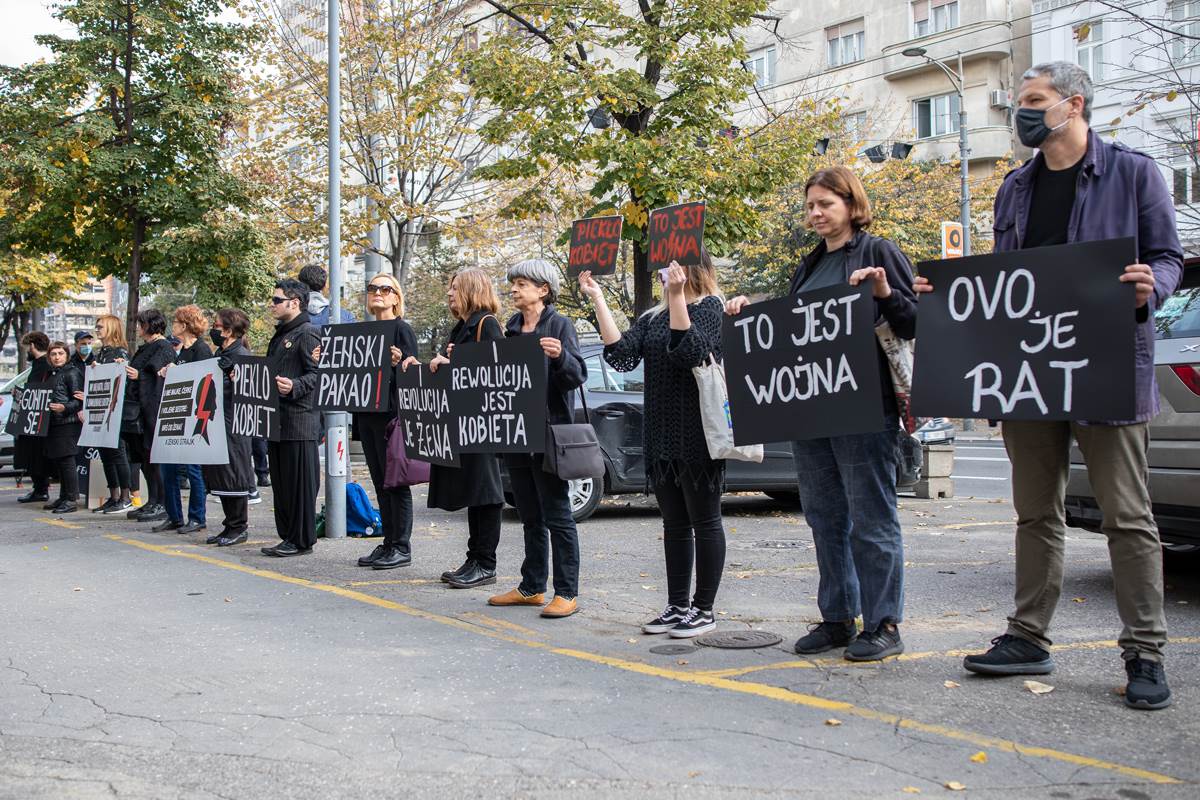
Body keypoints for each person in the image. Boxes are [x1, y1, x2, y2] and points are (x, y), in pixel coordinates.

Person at [915, 63, 1183, 710]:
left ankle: (1144, 651)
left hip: (1106, 368)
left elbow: (1170, 257)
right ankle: (1028, 636)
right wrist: (947, 297)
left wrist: (1155, 287)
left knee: (1128, 517)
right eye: (1020, 102)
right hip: (1030, 377)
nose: (1022, 113)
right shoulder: (1014, 188)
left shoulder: (1134, 172)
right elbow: (1006, 286)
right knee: (1036, 512)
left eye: (1034, 101)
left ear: (1073, 104)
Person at [726, 166, 917, 661]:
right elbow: (795, 332)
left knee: (872, 518)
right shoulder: (809, 266)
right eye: (810, 205)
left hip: (863, 410)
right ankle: (838, 619)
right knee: (825, 518)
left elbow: (914, 320)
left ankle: (883, 624)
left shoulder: (877, 252)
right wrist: (753, 312)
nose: (815, 213)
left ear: (852, 205)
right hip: (811, 412)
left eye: (825, 204)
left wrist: (883, 293)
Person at [579, 254, 727, 639]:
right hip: (660, 433)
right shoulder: (652, 317)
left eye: (670, 268)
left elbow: (690, 351)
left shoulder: (712, 308)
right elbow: (621, 355)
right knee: (675, 524)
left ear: (693, 269)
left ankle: (704, 609)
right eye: (662, 270)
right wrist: (597, 298)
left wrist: (678, 297)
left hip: (698, 434)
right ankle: (677, 605)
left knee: (705, 520)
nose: (662, 275)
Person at [488, 259, 586, 619]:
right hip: (516, 434)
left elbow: (577, 376)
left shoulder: (560, 325)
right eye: (513, 284)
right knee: (529, 515)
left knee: (558, 514)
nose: (513, 290)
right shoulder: (511, 328)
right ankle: (532, 587)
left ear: (543, 290)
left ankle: (567, 592)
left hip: (547, 435)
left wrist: (560, 357)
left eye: (522, 284)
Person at [408, 268, 505, 589]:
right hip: (465, 423)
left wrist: (452, 364)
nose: (449, 293)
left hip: (482, 423)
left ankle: (485, 563)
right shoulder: (463, 326)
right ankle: (474, 558)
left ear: (472, 289)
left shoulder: (486, 324)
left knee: (486, 494)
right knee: (475, 493)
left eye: (455, 287)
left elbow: (498, 371)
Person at [354, 274, 419, 571]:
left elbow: (412, 375)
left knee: (395, 482)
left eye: (385, 289)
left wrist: (399, 363)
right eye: (372, 289)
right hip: (367, 415)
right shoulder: (360, 332)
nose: (377, 293)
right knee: (380, 482)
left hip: (391, 417)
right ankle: (389, 541)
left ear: (395, 297)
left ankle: (401, 546)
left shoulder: (401, 330)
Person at [261, 278, 322, 557]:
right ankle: (288, 536)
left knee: (299, 486)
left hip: (299, 422)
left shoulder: (307, 332)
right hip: (279, 421)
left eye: (277, 300)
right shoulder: (283, 333)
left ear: (294, 302)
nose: (271, 305)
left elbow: (319, 375)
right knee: (283, 485)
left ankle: (300, 539)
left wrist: (295, 386)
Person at [154, 305, 212, 535]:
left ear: (185, 325)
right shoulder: (182, 352)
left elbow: (203, 382)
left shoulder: (201, 350)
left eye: (176, 322)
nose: (173, 325)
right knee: (168, 468)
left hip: (193, 420)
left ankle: (197, 517)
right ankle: (174, 515)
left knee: (193, 469)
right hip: (178, 417)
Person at [203, 309, 257, 547]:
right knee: (221, 474)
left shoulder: (241, 355)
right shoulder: (221, 354)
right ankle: (229, 524)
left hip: (234, 425)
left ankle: (238, 526)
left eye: (216, 325)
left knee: (234, 474)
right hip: (219, 423)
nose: (213, 330)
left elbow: (252, 392)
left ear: (229, 330)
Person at [123, 309, 177, 523]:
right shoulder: (146, 347)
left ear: (150, 325)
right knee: (144, 459)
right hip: (138, 411)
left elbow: (160, 379)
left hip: (153, 412)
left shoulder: (163, 347)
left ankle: (161, 502)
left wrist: (139, 376)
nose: (138, 328)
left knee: (155, 459)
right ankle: (152, 499)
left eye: (141, 324)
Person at [90, 315, 134, 514]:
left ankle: (125, 496)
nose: (97, 330)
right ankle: (114, 495)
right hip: (103, 411)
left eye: (100, 327)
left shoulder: (119, 352)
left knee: (117, 453)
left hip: (115, 412)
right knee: (106, 454)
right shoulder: (101, 353)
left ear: (111, 328)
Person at [43, 341, 84, 513]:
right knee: (60, 462)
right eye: (53, 354)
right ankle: (63, 496)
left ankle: (72, 499)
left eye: (60, 353)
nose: (57, 357)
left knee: (67, 461)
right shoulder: (52, 374)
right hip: (54, 423)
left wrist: (64, 408)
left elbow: (79, 400)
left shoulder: (72, 372)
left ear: (66, 355)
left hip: (68, 423)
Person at [14, 331, 53, 504]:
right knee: (34, 455)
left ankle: (40, 489)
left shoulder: (43, 365)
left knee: (36, 456)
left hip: (39, 419)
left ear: (32, 346)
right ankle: (39, 488)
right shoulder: (42, 365)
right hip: (36, 418)